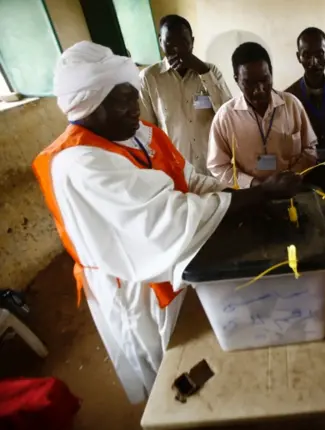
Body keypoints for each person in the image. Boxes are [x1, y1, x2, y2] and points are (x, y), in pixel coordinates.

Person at [33, 41, 300, 404]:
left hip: (178, 255)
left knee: (193, 338)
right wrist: (253, 197)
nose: (135, 108)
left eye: (133, 96)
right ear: (89, 105)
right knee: (165, 366)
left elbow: (190, 179)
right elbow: (169, 219)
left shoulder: (139, 133)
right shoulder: (79, 164)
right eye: (121, 101)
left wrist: (240, 197)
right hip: (135, 281)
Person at [207, 42, 318, 188]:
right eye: (249, 83)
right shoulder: (225, 117)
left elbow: (310, 149)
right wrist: (254, 185)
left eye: (264, 80)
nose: (259, 90)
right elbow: (218, 166)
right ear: (236, 80)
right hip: (252, 197)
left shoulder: (292, 105)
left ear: (271, 73)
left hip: (291, 192)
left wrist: (291, 177)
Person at [139, 15, 232, 175]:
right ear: (160, 41)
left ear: (192, 41)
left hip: (215, 167)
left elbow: (227, 115)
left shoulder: (210, 71)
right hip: (177, 170)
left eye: (183, 42)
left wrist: (203, 72)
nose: (176, 49)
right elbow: (147, 130)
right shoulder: (149, 78)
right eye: (169, 42)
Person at [285, 27, 325, 162]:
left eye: (319, 54)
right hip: (303, 167)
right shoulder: (289, 98)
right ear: (298, 57)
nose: (314, 62)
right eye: (306, 55)